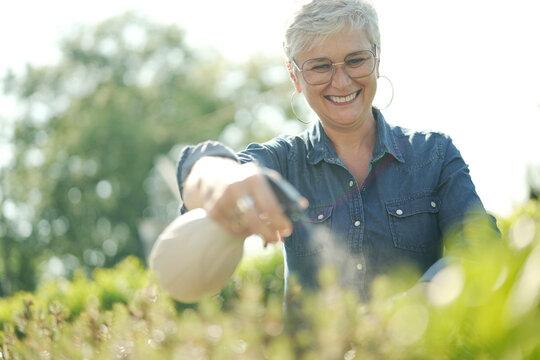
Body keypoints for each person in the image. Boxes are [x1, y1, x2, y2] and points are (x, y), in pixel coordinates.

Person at [159, 0, 499, 302]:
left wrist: (407, 311)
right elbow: (200, 165)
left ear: (377, 60)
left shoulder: (434, 155)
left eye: (356, 60)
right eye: (320, 66)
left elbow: (484, 255)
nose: (341, 81)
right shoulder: (283, 162)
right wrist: (223, 177)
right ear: (295, 77)